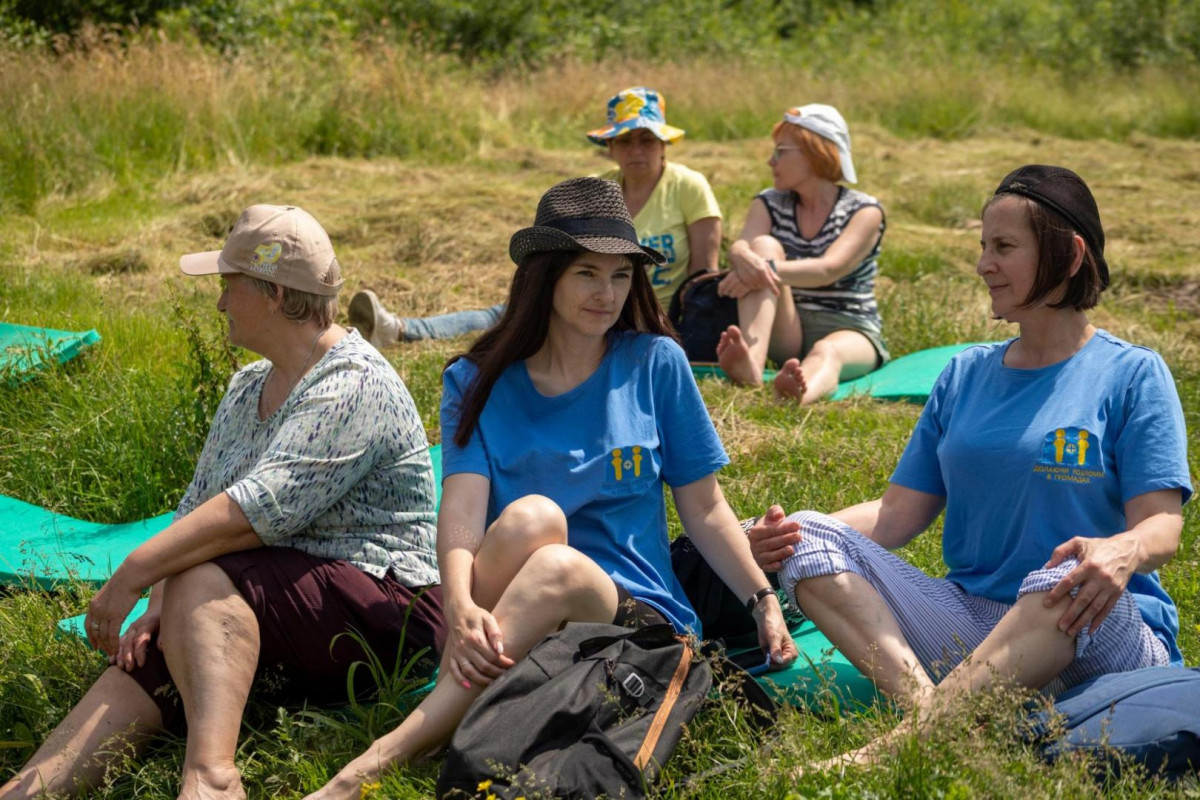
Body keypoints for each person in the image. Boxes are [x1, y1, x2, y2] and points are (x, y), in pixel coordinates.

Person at [306, 177, 794, 799]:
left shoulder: (655, 364)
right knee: (533, 520)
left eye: (621, 277)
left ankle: (376, 762)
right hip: (507, 603)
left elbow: (705, 509)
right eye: (587, 273)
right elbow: (460, 512)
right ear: (546, 277)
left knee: (557, 559)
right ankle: (462, 687)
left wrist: (761, 600)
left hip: (637, 619)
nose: (608, 293)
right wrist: (456, 605)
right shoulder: (474, 380)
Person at [747, 165, 1192, 767]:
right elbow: (897, 515)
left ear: (1069, 254)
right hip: (977, 627)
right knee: (811, 534)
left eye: (1004, 247)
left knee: (1061, 575)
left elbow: (1162, 527)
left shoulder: (1133, 374)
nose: (984, 264)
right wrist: (787, 535)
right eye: (983, 246)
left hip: (1100, 626)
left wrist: (1121, 551)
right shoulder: (963, 376)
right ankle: (936, 722)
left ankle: (899, 751)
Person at [1, 206, 445, 800]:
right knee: (156, 643)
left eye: (227, 286)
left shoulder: (352, 384)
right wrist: (158, 608)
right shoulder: (246, 388)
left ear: (275, 295)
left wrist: (136, 573)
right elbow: (196, 509)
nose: (218, 304)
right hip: (274, 596)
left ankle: (211, 778)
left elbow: (254, 512)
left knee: (201, 579)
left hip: (386, 610)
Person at [348, 87, 722, 347]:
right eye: (625, 140)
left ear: (663, 144)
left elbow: (701, 278)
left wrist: (665, 331)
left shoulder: (689, 187)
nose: (636, 149)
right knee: (508, 313)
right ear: (610, 147)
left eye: (646, 139)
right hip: (584, 303)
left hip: (650, 316)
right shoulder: (597, 189)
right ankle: (398, 329)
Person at [714, 103, 889, 402]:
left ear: (815, 153)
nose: (771, 161)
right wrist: (742, 256)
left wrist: (756, 269)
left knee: (827, 351)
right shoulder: (769, 202)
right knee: (764, 247)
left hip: (849, 328)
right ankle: (752, 365)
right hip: (789, 328)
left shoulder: (865, 211)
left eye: (781, 151)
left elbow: (828, 270)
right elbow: (745, 243)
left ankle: (798, 393)